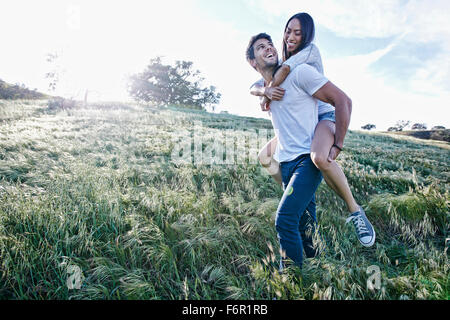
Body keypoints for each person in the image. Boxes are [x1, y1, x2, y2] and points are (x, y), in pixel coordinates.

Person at [246, 31, 375, 268]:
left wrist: (337, 144)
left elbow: (342, 101)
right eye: (261, 48)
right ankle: (319, 269)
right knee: (307, 228)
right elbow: (253, 87)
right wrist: (264, 92)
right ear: (253, 62)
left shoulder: (300, 73)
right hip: (286, 163)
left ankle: (291, 284)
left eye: (270, 44)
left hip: (307, 159)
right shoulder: (264, 89)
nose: (269, 48)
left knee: (285, 220)